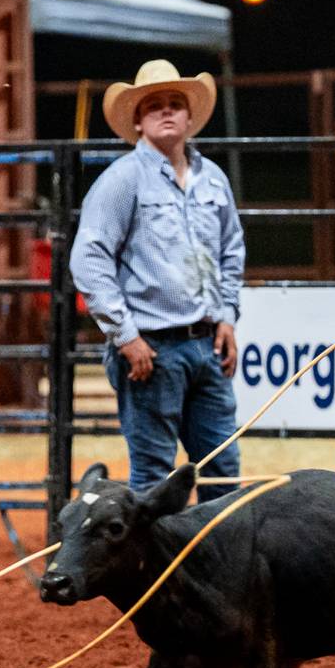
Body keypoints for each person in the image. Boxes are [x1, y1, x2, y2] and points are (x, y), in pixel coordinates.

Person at [71, 59, 245, 501]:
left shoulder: (213, 180)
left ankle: (215, 568)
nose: (166, 112)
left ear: (189, 117)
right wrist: (125, 335)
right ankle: (154, 572)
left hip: (205, 341)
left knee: (222, 468)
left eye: (174, 104)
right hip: (151, 347)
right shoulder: (123, 180)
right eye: (154, 106)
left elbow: (230, 249)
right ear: (138, 120)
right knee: (154, 472)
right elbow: (89, 259)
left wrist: (226, 315)